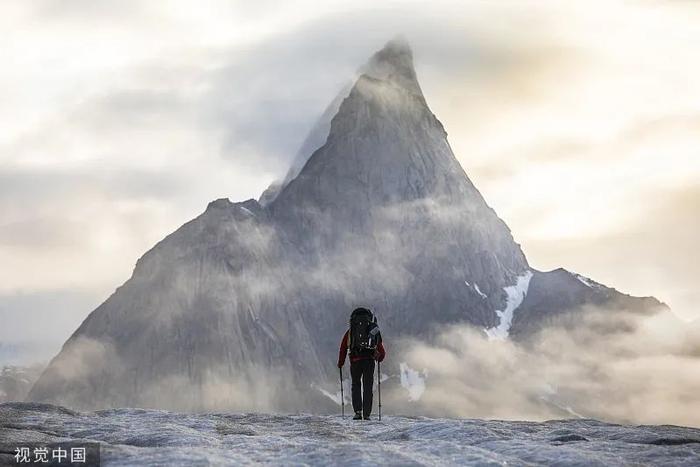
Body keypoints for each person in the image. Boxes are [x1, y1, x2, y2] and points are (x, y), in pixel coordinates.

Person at [337, 307, 386, 420]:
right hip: (369, 361)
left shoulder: (350, 332)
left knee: (356, 385)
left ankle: (358, 412)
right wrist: (379, 358)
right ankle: (367, 414)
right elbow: (381, 350)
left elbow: (343, 348)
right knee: (368, 386)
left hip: (355, 361)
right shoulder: (372, 331)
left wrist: (340, 363)